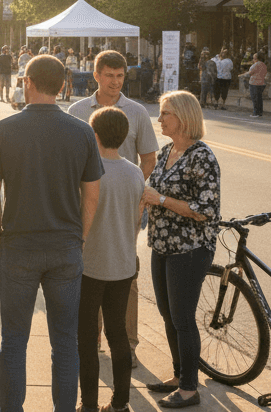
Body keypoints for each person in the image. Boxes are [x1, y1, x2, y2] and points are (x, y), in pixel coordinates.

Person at [0, 55, 103, 412]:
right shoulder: (82, 131)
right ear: (63, 86)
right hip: (65, 247)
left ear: (27, 82)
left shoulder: (4, 129)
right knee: (65, 343)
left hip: (19, 245)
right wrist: (79, 237)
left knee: (14, 340)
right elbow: (92, 195)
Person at [66, 50, 159, 362]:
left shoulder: (137, 112)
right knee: (87, 269)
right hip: (85, 203)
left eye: (120, 76)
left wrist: (132, 189)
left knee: (125, 271)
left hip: (124, 204)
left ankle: (127, 344)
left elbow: (148, 159)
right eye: (109, 76)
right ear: (96, 75)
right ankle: (90, 340)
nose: (115, 82)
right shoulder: (78, 111)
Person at [142, 90, 221, 409]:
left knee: (183, 318)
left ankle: (189, 388)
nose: (159, 119)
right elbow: (151, 190)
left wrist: (160, 200)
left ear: (184, 117)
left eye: (166, 113)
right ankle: (179, 376)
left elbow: (206, 210)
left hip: (189, 248)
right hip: (162, 244)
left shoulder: (202, 157)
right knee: (167, 315)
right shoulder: (167, 151)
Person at [78, 107, 145, 412]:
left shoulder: (88, 170)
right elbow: (137, 218)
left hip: (91, 265)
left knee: (86, 337)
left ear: (94, 135)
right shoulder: (134, 172)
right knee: (118, 334)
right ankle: (120, 402)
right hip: (123, 264)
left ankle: (89, 404)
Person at [247, 52, 268, 118]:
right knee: (259, 98)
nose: (253, 59)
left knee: (255, 98)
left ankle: (255, 112)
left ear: (256, 58)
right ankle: (260, 112)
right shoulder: (264, 65)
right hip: (261, 83)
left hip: (254, 83)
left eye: (254, 57)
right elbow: (265, 73)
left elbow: (250, 72)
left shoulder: (255, 65)